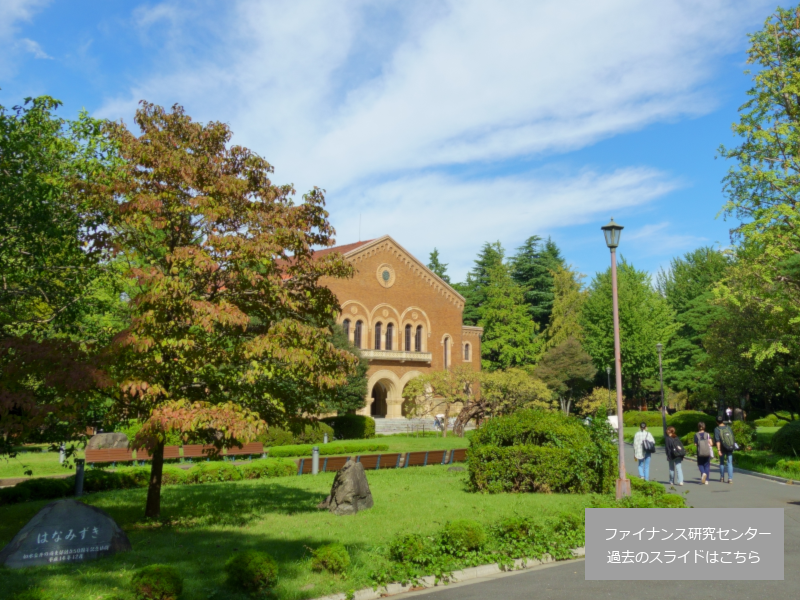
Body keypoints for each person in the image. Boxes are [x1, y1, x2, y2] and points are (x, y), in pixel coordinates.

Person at [714, 415, 736, 484]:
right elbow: (732, 437)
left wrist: (718, 450)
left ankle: (722, 477)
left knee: (722, 463)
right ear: (723, 421)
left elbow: (717, 440)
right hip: (729, 447)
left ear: (717, 422)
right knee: (729, 463)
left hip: (722, 448)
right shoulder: (728, 427)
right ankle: (730, 479)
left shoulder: (717, 429)